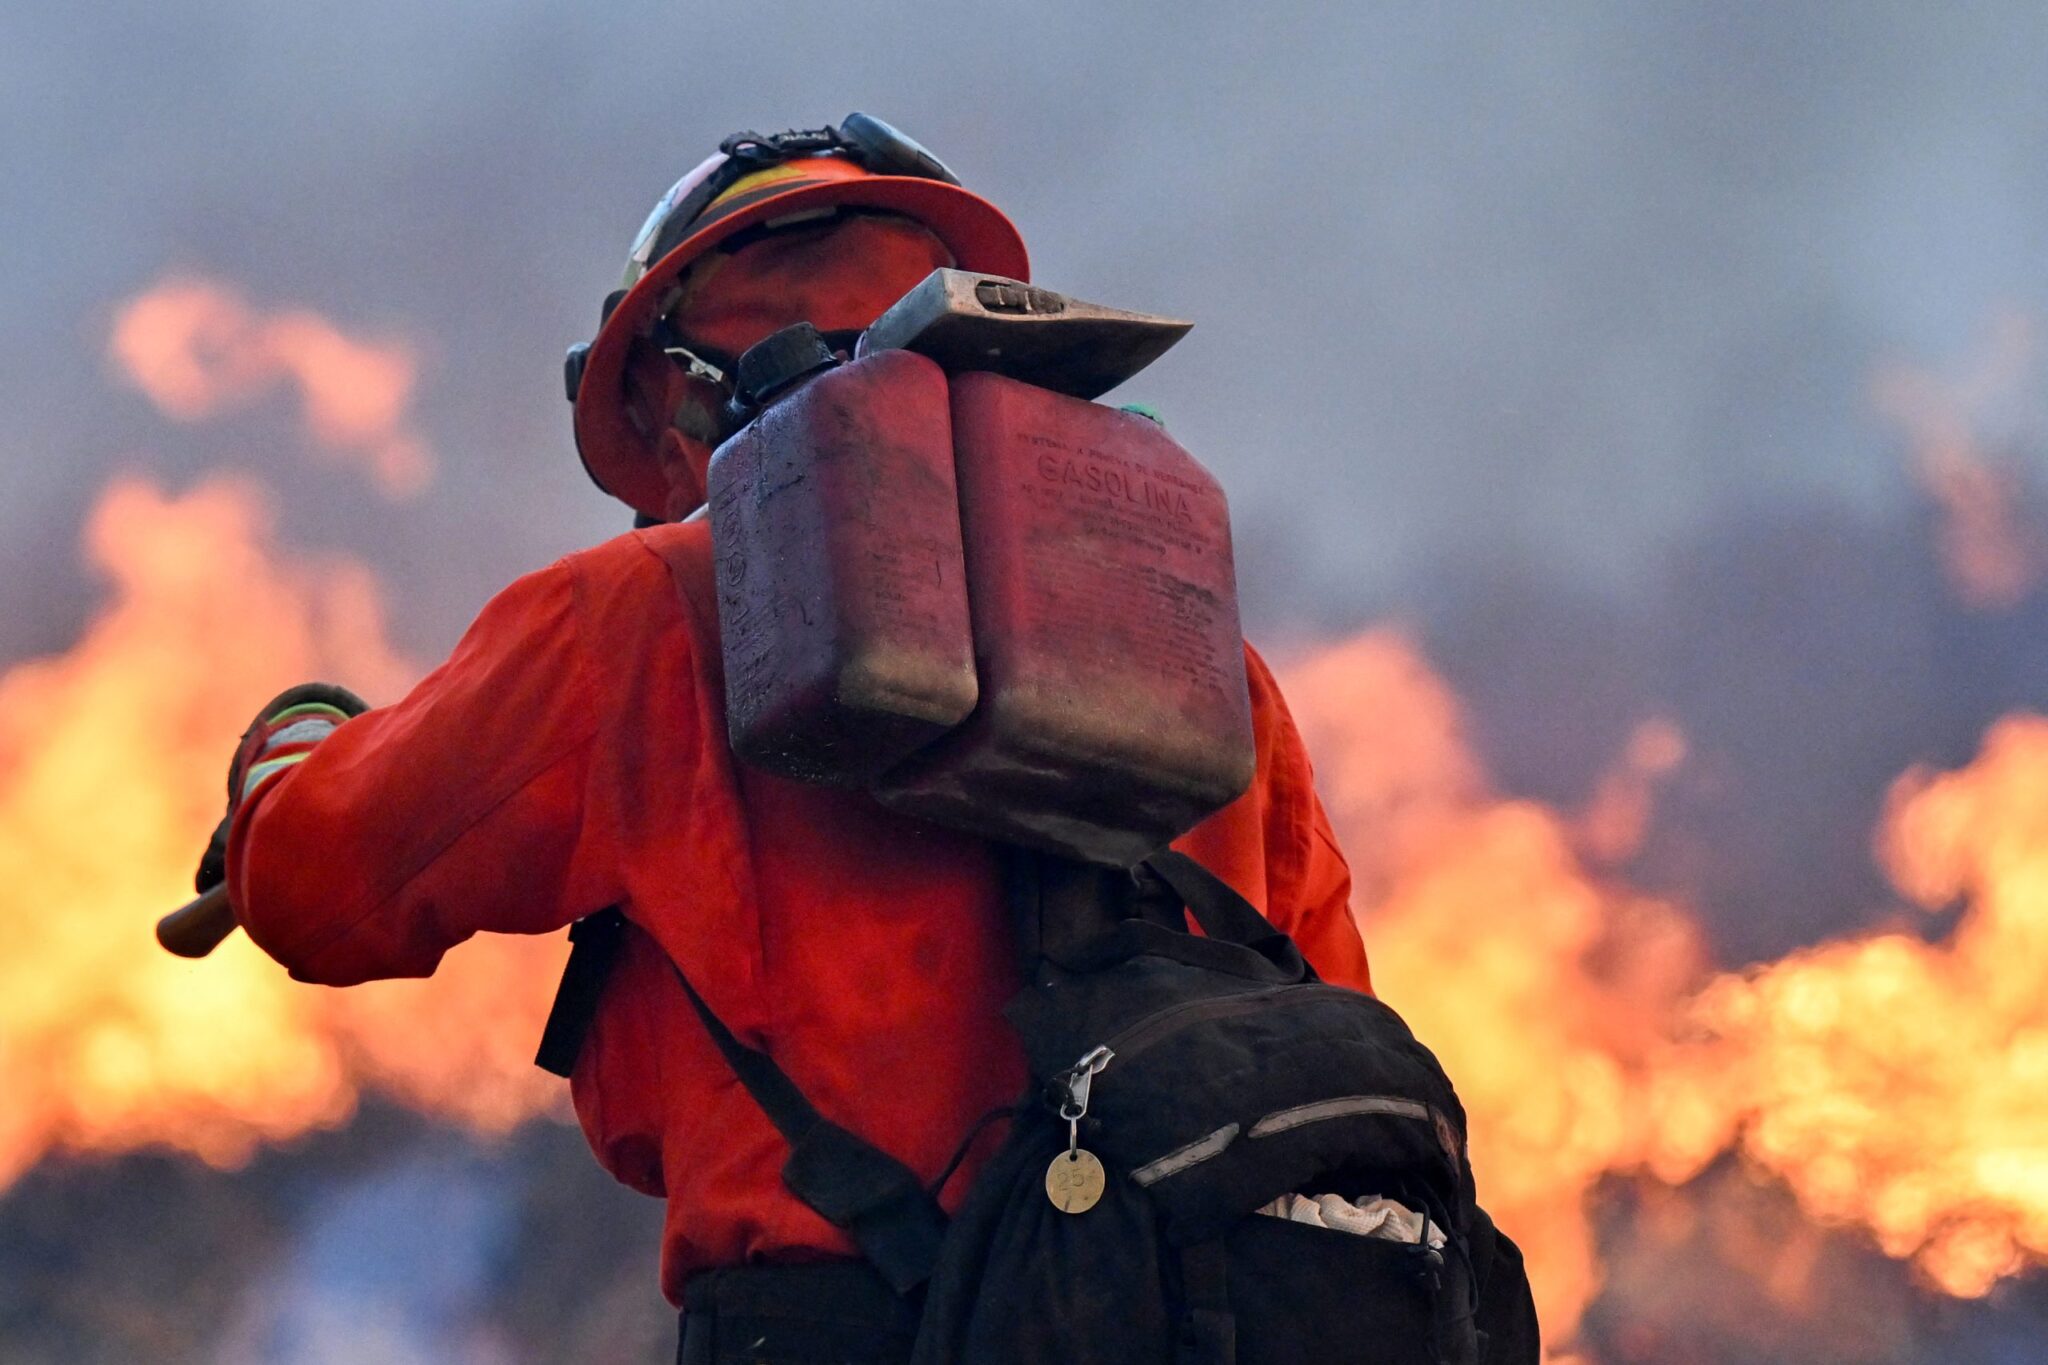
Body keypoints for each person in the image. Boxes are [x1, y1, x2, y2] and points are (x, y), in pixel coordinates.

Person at [208, 116, 1374, 1361]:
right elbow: (1332, 1024)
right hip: (1194, 1326)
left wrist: (293, 750)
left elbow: (322, 890)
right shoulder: (1209, 656)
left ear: (681, 394)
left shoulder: (655, 607)